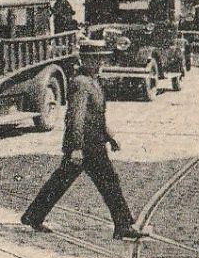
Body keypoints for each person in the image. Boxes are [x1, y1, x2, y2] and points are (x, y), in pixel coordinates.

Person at [21, 43, 148, 240]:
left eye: (101, 59)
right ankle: (123, 226)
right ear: (84, 60)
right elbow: (76, 118)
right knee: (108, 182)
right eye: (94, 60)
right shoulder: (81, 83)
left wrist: (110, 136)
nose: (99, 63)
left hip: (94, 142)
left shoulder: (92, 81)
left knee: (62, 181)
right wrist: (77, 148)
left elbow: (96, 116)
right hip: (86, 146)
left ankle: (33, 215)